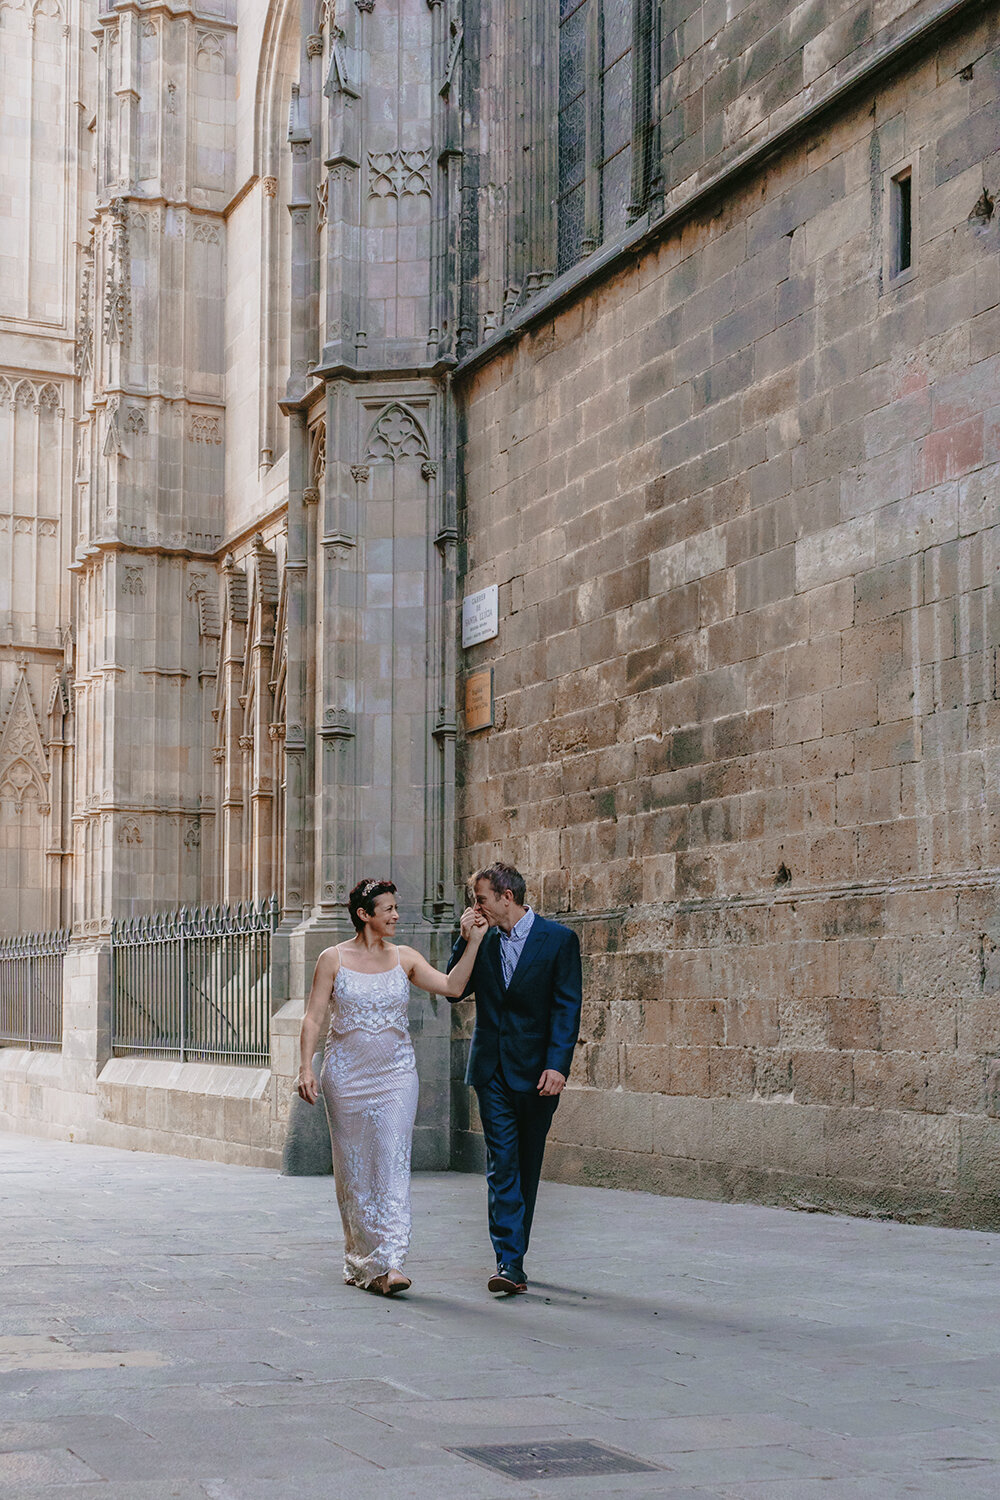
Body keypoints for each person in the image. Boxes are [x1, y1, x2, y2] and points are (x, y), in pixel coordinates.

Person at [297, 878, 487, 1296]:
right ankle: (364, 1259)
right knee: (355, 1170)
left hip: (396, 1077)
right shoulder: (332, 959)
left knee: (392, 1164)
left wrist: (472, 943)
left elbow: (453, 987)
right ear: (365, 915)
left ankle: (391, 1261)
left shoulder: (405, 957)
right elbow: (313, 1018)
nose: (397, 915)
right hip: (345, 1077)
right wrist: (305, 1068)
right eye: (388, 909)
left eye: (396, 908)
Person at [447, 861, 582, 1295]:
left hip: (539, 1072)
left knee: (526, 1163)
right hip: (491, 1070)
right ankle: (508, 1261)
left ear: (507, 897)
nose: (475, 908)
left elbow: (567, 1007)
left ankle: (515, 1257)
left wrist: (558, 1065)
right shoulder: (480, 938)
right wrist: (466, 939)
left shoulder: (559, 940)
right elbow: (457, 987)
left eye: (480, 900)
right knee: (501, 1161)